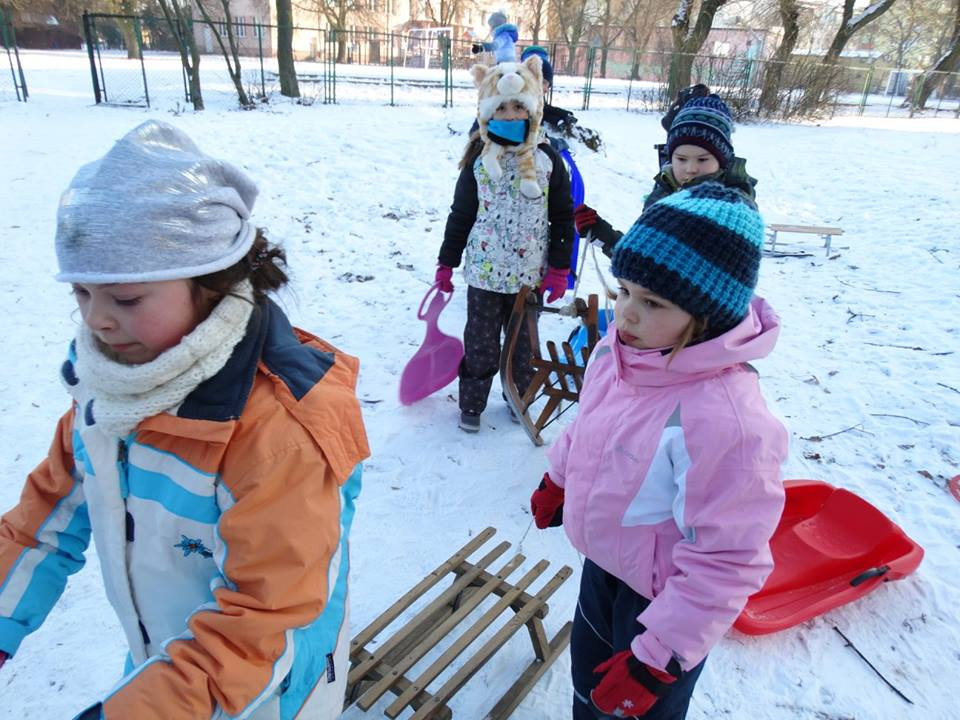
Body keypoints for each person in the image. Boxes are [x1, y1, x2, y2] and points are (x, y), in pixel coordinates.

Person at [0, 121, 370, 719]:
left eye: (125, 299)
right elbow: (46, 518)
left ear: (211, 283)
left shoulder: (276, 434)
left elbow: (262, 624)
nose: (96, 320)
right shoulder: (112, 384)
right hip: (170, 670)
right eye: (82, 293)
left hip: (270, 690)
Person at [530, 182, 788, 719]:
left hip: (668, 604)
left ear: (706, 314)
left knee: (636, 708)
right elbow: (590, 426)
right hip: (604, 568)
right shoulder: (620, 353)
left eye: (652, 302)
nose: (625, 313)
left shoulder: (727, 420)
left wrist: (658, 659)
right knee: (590, 693)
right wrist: (559, 478)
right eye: (624, 291)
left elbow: (727, 559)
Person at [437, 61, 575, 433]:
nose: (510, 114)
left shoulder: (548, 160)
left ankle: (519, 396)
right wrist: (446, 263)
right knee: (480, 344)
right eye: (500, 107)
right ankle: (472, 404)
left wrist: (561, 268)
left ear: (533, 108)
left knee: (522, 347)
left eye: (518, 107)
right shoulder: (478, 161)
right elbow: (461, 214)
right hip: (484, 273)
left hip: (530, 275)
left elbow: (563, 217)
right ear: (486, 111)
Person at [574, 93, 757, 256]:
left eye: (702, 160)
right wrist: (604, 236)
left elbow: (672, 271)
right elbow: (645, 258)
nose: (690, 168)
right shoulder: (665, 189)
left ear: (723, 160)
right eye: (681, 159)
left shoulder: (732, 208)